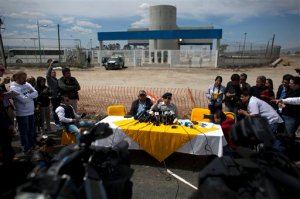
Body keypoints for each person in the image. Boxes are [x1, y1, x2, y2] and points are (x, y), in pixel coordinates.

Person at [10, 71, 38, 154]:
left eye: (25, 78)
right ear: (17, 78)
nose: (25, 80)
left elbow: (36, 93)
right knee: (24, 132)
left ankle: (31, 145)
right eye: (23, 78)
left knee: (31, 130)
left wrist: (27, 96)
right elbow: (22, 100)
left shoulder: (27, 84)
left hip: (31, 112)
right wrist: (30, 95)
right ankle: (25, 148)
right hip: (22, 113)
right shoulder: (13, 87)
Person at [0, 87, 16, 166]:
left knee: (7, 143)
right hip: (2, 128)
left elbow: (5, 115)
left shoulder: (1, 104)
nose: (3, 98)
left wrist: (10, 125)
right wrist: (8, 125)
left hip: (5, 129)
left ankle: (10, 158)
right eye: (1, 96)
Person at [46, 60, 60, 124]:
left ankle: (57, 121)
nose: (54, 73)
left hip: (57, 97)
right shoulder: (50, 79)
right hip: (53, 97)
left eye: (55, 72)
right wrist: (51, 66)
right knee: (54, 111)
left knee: (57, 110)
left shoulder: (55, 79)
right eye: (53, 72)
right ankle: (55, 122)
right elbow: (47, 75)